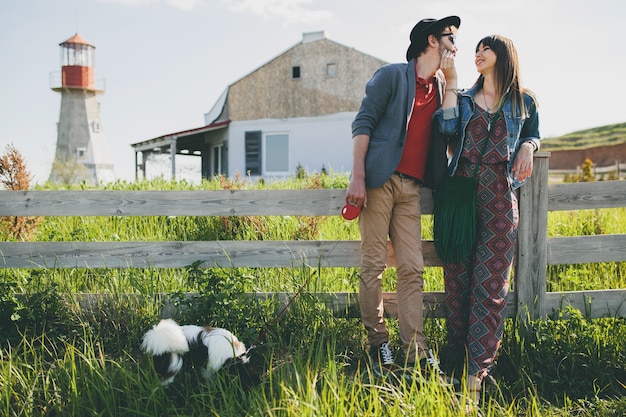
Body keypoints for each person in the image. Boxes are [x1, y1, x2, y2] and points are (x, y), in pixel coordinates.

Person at [347, 16, 460, 381]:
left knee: (412, 267)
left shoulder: (443, 86)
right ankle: (378, 342)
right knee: (374, 265)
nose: (456, 44)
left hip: (411, 189)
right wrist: (358, 176)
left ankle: (416, 349)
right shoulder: (392, 76)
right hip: (379, 181)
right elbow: (363, 123)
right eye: (450, 37)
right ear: (432, 40)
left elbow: (449, 129)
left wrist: (454, 81)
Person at [435, 34, 540, 406]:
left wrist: (528, 145)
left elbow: (533, 135)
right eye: (476, 49)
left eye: (486, 48)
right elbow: (445, 132)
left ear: (504, 55)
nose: (478, 54)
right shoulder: (462, 99)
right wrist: (448, 81)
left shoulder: (524, 102)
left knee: (490, 288)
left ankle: (476, 375)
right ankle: (455, 360)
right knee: (458, 284)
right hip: (460, 195)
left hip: (499, 194)